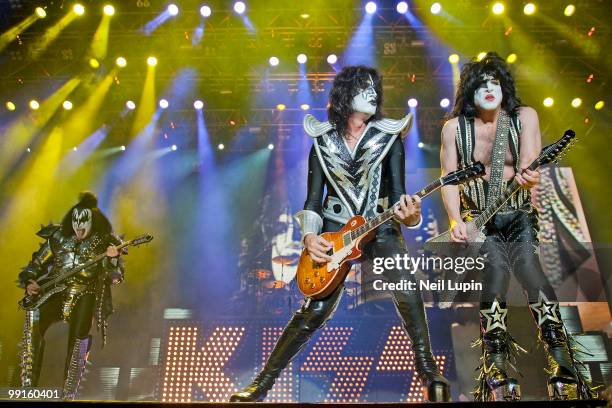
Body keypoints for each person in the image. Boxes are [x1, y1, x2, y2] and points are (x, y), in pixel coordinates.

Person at [230, 65, 450, 402]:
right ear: (346, 95)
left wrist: (411, 216)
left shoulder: (389, 137)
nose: (373, 93)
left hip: (380, 226)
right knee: (312, 313)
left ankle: (429, 372)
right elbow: (313, 200)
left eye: (376, 87)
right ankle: (261, 385)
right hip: (336, 233)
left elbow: (398, 197)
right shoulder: (322, 141)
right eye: (365, 87)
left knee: (406, 286)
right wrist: (309, 238)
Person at [439, 52, 593, 401]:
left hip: (520, 215)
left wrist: (529, 178)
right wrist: (456, 220)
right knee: (494, 278)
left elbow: (528, 165)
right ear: (470, 91)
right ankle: (496, 369)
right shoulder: (453, 129)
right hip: (483, 223)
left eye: (496, 82)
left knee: (530, 271)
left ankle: (561, 362)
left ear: (505, 87)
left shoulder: (524, 117)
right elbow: (448, 179)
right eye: (482, 83)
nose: (490, 88)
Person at [17, 192, 125, 400]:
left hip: (86, 293)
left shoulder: (105, 242)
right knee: (34, 315)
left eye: (84, 225)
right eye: (76, 225)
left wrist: (112, 260)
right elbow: (35, 265)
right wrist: (30, 282)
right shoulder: (57, 237)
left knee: (78, 337)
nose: (79, 230)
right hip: (56, 291)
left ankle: (69, 392)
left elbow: (116, 278)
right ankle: (26, 385)